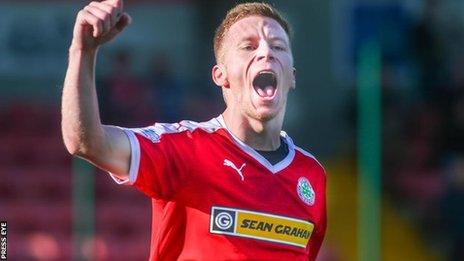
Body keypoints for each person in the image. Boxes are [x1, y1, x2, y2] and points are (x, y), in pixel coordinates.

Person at [61, 0, 327, 260]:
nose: (266, 52)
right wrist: (83, 51)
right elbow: (86, 142)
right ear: (220, 75)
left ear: (292, 76)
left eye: (278, 46)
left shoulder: (311, 174)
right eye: (248, 46)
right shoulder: (186, 148)